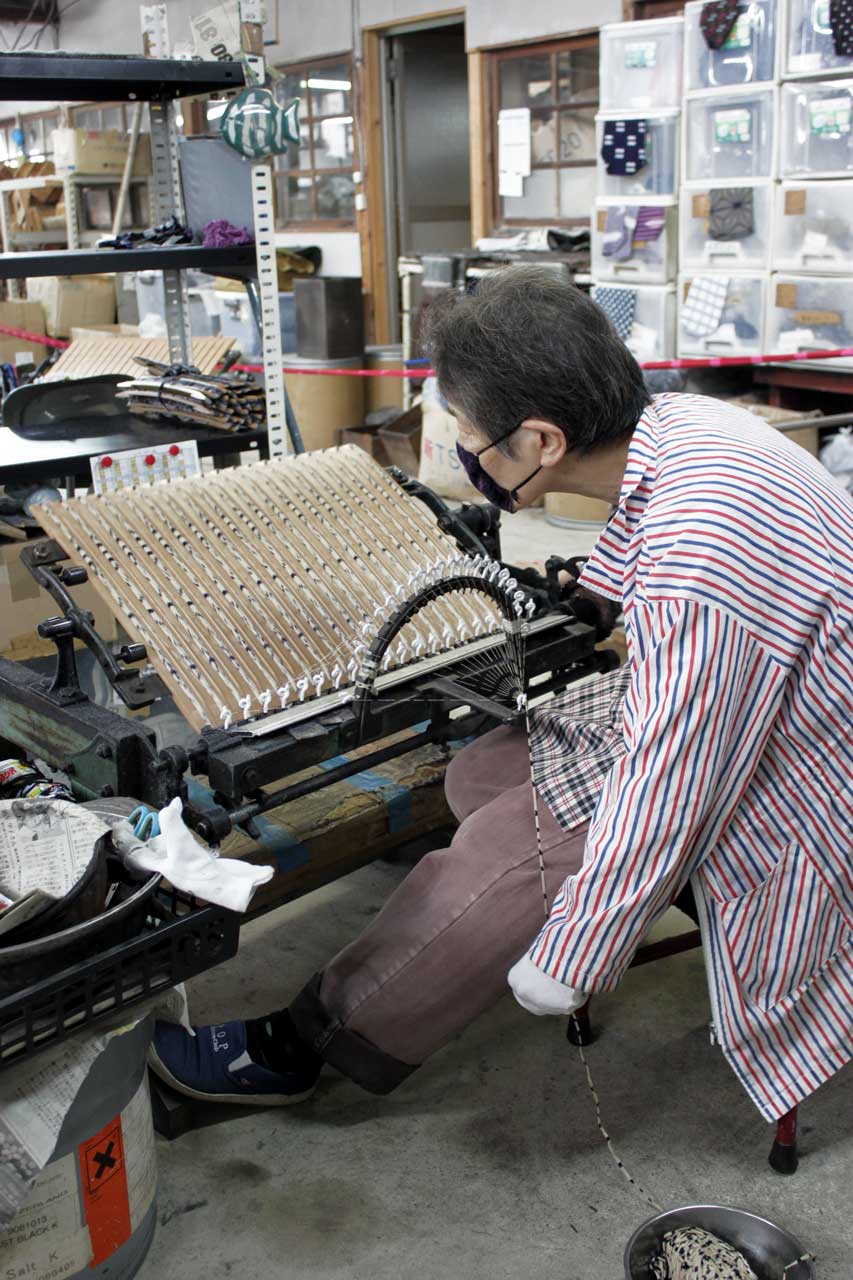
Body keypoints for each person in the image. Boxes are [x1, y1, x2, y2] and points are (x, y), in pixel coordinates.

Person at [151, 265, 853, 1125]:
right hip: (784, 702)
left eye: (474, 441)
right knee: (486, 773)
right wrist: (583, 598)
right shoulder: (685, 425)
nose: (467, 459)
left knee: (512, 852)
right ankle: (470, 918)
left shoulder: (695, 561)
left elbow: (674, 779)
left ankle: (312, 1041)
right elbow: (641, 587)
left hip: (805, 774)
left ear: (542, 442)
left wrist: (578, 951)